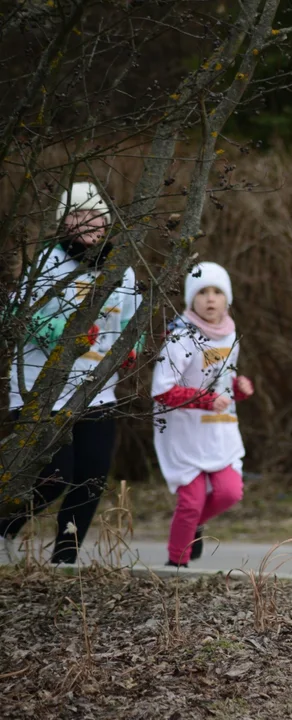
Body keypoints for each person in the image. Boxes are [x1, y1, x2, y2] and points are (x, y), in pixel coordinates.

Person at [2, 182, 142, 564]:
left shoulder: (120, 269)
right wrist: (64, 335)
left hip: (97, 390)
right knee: (54, 477)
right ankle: (4, 529)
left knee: (92, 479)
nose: (88, 224)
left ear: (107, 223)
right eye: (78, 215)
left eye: (96, 216)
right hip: (42, 390)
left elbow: (134, 320)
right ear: (64, 223)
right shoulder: (46, 264)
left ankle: (65, 560)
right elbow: (15, 315)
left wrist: (133, 347)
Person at [151, 262, 253, 568]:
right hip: (185, 432)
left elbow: (219, 378)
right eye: (203, 292)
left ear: (228, 299)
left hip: (219, 430)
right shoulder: (180, 338)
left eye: (217, 292)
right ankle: (176, 564)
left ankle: (191, 525)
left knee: (230, 492)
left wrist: (239, 387)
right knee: (191, 501)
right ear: (190, 299)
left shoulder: (229, 332)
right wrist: (206, 400)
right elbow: (161, 390)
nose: (210, 299)